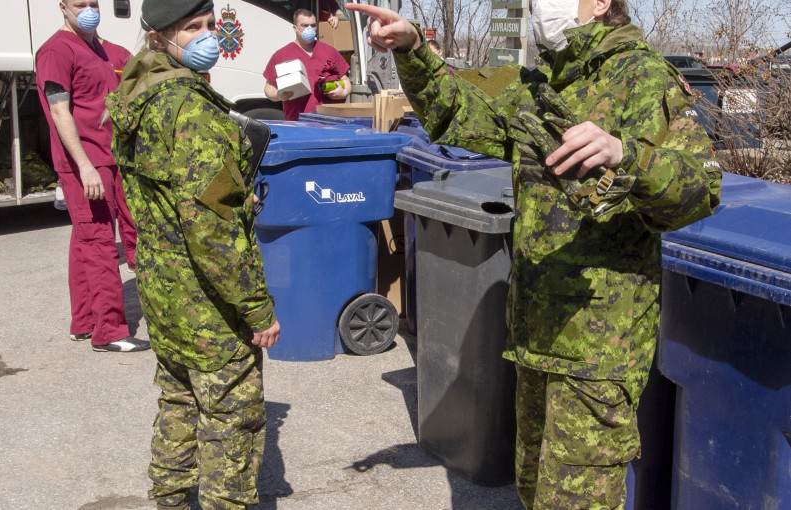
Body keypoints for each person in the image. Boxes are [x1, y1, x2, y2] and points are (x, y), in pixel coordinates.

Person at [346, 0, 722, 508]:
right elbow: (458, 108)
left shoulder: (643, 75)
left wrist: (624, 154)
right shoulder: (538, 84)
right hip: (534, 338)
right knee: (534, 490)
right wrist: (414, 50)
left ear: (601, 4)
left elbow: (700, 189)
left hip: (595, 352)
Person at [106, 0, 281, 508]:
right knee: (234, 424)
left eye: (210, 26)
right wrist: (256, 307)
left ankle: (171, 500)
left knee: (178, 403)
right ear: (159, 37)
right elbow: (215, 230)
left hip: (162, 292)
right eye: (192, 28)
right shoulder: (192, 113)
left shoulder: (136, 95)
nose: (207, 37)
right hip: (207, 304)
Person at [36, 0, 148, 352]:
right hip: (85, 161)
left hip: (113, 157)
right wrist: (84, 165)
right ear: (63, 7)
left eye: (94, 3)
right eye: (80, 4)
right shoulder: (56, 50)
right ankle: (109, 332)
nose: (89, 9)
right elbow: (59, 111)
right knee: (99, 243)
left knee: (84, 240)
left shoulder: (108, 52)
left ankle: (84, 321)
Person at [263, 8, 351, 121]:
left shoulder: (330, 51)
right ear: (294, 28)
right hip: (298, 122)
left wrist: (343, 92)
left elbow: (346, 80)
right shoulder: (281, 55)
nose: (309, 29)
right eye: (304, 25)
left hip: (330, 121)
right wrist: (278, 95)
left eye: (313, 25)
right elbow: (268, 87)